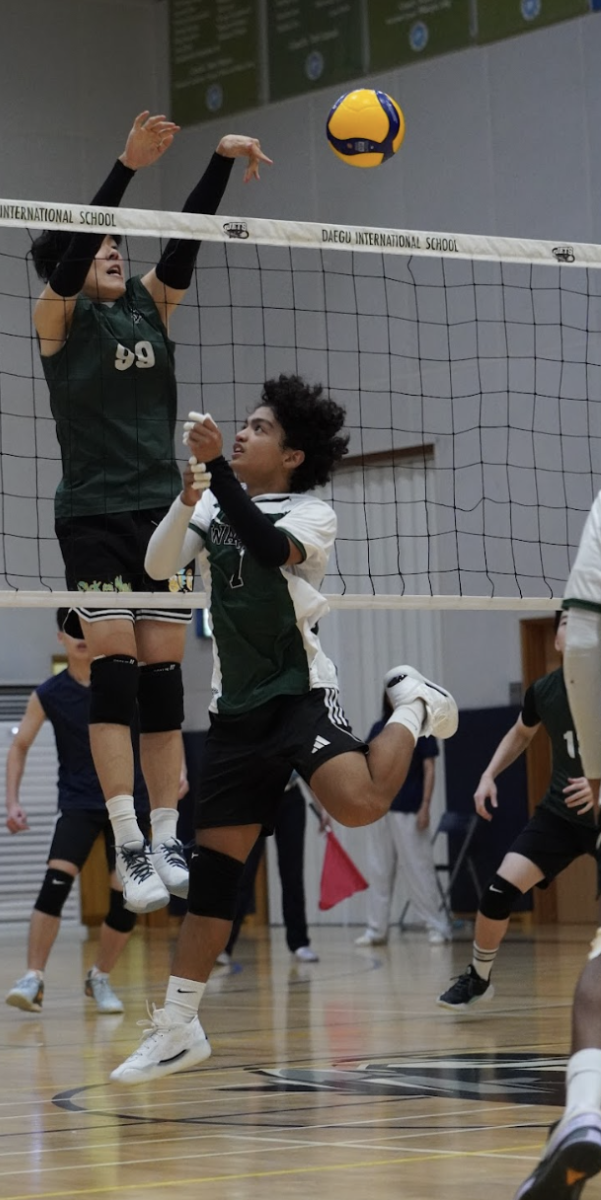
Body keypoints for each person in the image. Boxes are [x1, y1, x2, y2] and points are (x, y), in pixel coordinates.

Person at [109, 373, 459, 1084]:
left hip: (299, 695)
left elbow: (270, 550)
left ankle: (412, 704)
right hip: (234, 715)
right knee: (215, 882)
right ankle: (177, 1027)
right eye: (242, 424)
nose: (242, 433)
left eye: (259, 428)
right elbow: (153, 565)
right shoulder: (211, 503)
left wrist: (215, 487)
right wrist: (186, 501)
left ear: (292, 455)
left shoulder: (311, 512)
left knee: (360, 805)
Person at [30, 111, 272, 914]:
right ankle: (127, 840)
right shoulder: (58, 320)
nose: (114, 252)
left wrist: (216, 162)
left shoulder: (148, 306)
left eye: (116, 248)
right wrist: (124, 165)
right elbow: (76, 252)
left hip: (162, 514)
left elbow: (182, 244)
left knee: (166, 679)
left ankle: (168, 833)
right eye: (101, 248)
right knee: (114, 672)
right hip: (94, 514)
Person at [437, 610, 595, 1013]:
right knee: (498, 892)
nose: (572, 629)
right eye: (564, 623)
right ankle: (478, 978)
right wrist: (488, 774)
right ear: (557, 639)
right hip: (560, 815)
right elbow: (521, 733)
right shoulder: (544, 691)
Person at [5, 608, 156, 1015]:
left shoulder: (126, 682)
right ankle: (32, 978)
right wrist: (12, 801)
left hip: (130, 802)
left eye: (85, 627)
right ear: (61, 639)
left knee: (127, 897)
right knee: (56, 882)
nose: (80, 637)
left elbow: (161, 728)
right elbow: (19, 745)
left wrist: (175, 771)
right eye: (72, 631)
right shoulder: (49, 694)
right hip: (78, 802)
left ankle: (100, 976)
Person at [514, 498, 601, 1199]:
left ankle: (585, 1114)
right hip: (555, 816)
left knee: (598, 989)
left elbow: (587, 637)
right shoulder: (539, 698)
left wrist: (597, 769)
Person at [355, 693, 451, 947]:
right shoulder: (379, 728)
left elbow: (430, 768)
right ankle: (376, 929)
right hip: (379, 809)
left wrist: (426, 806)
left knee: (419, 869)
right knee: (379, 870)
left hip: (409, 808)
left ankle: (436, 926)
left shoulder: (422, 727)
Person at [216, 774, 330, 967]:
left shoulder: (294, 742)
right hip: (255, 799)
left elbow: (306, 769)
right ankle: (224, 946)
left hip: (290, 798)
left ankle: (299, 943)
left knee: (292, 874)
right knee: (244, 875)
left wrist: (322, 807)